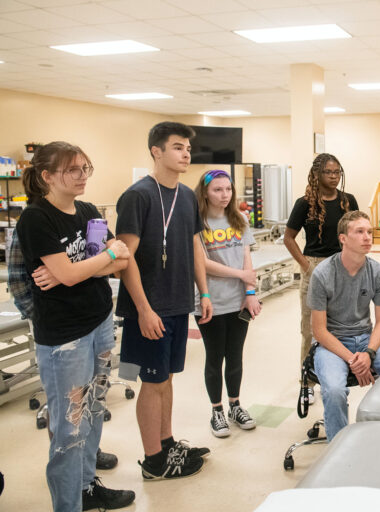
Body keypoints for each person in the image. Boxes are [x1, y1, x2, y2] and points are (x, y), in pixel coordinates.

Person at [15, 141, 135, 511]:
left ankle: (87, 486)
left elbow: (122, 259)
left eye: (86, 168)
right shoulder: (37, 218)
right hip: (64, 337)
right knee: (69, 425)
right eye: (73, 170)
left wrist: (88, 265)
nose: (82, 176)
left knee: (95, 409)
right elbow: (77, 271)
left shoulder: (85, 210)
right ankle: (68, 505)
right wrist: (98, 260)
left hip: (99, 321)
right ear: (47, 176)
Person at [116, 122, 213, 480]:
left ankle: (168, 443)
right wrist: (143, 309)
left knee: (167, 379)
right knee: (152, 382)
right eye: (177, 147)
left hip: (177, 304)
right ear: (157, 152)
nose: (186, 153)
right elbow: (125, 259)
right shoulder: (138, 196)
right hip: (149, 308)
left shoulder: (187, 195)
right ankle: (154, 461)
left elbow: (194, 246)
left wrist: (202, 292)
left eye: (187, 147)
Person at [308, 210, 380, 441]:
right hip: (331, 344)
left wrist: (368, 352)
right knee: (335, 391)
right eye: (359, 232)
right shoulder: (323, 274)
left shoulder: (377, 272)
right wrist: (353, 359)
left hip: (366, 338)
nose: (367, 237)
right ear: (343, 238)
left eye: (369, 232)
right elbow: (319, 330)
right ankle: (337, 451)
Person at [284, 153, 358, 405]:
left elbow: (357, 232)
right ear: (317, 174)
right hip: (315, 267)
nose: (334, 176)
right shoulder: (304, 203)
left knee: (341, 327)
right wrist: (306, 267)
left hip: (344, 267)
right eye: (329, 172)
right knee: (311, 329)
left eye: (338, 172)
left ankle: (336, 376)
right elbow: (289, 238)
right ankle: (307, 382)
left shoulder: (348, 201)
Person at [194, 169, 262, 437]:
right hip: (210, 300)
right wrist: (241, 276)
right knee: (215, 357)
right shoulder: (197, 222)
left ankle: (235, 405)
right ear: (206, 192)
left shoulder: (239, 219)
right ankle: (217, 411)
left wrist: (249, 291)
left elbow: (246, 258)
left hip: (238, 301)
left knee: (235, 356)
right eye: (217, 190)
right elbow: (202, 263)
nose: (224, 195)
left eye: (228, 189)